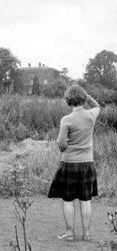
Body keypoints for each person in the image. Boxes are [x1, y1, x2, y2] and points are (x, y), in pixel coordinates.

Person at [48, 84, 100, 241]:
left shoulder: (67, 120)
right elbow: (97, 105)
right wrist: (87, 96)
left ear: (68, 100)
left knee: (68, 200)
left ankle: (70, 233)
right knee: (86, 200)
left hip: (69, 163)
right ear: (83, 98)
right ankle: (87, 234)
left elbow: (61, 143)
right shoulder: (91, 115)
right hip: (87, 164)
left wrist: (63, 148)